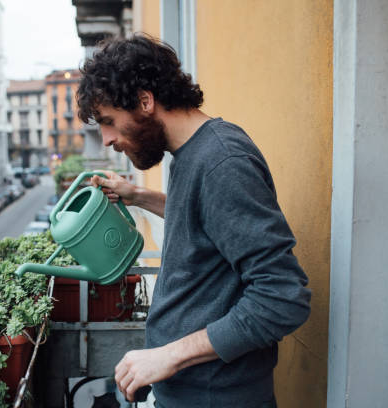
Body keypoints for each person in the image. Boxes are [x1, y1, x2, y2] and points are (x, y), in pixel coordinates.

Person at [76, 34, 311, 408]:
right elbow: (210, 224)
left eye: (108, 121)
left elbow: (282, 298)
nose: (106, 139)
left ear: (145, 101)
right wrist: (139, 196)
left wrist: (167, 356)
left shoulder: (222, 162)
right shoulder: (190, 154)